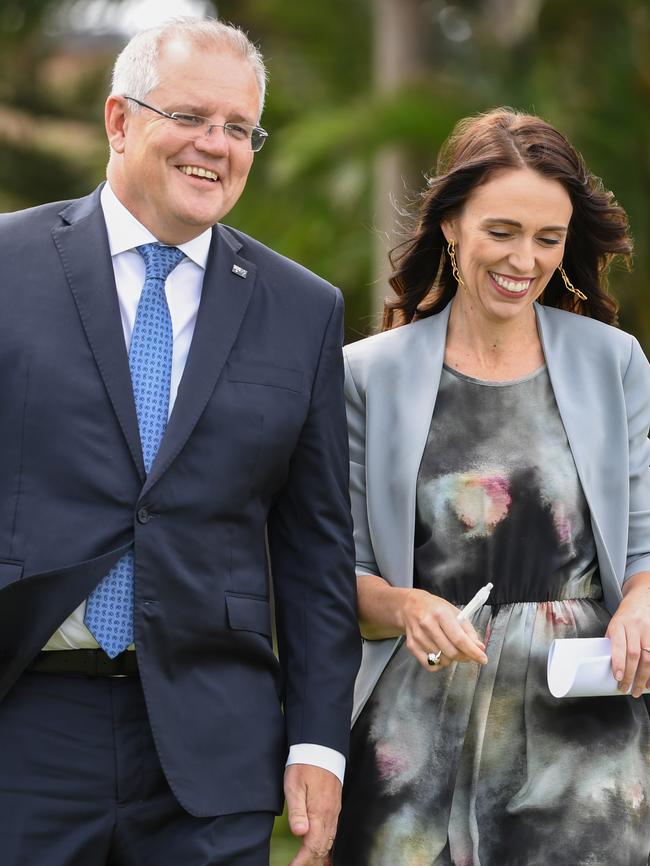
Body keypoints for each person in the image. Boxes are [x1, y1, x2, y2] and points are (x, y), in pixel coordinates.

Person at [0, 17, 360, 866]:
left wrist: (317, 745)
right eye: (192, 117)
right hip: (24, 724)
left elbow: (315, 554)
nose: (216, 145)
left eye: (240, 129)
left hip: (212, 750)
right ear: (119, 121)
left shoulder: (303, 310)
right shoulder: (7, 268)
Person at [333, 108, 650, 866]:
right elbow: (328, 571)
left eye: (548, 238)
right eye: (501, 231)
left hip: (586, 738)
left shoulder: (616, 362)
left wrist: (640, 600)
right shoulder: (366, 375)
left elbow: (644, 539)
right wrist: (405, 605)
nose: (525, 259)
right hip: (412, 736)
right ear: (451, 224)